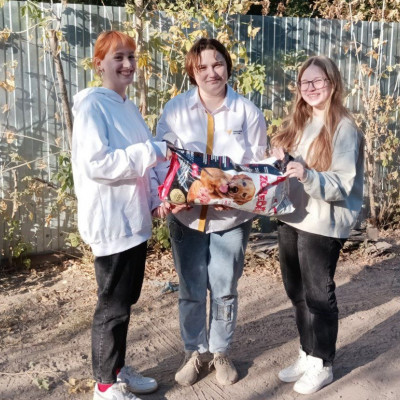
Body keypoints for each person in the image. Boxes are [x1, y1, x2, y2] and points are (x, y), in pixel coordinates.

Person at [154, 38, 268, 387]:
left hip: (230, 220)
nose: (211, 72)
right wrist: (166, 196)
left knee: (225, 288)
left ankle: (220, 351)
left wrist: (232, 198)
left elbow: (257, 167)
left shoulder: (247, 112)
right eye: (201, 67)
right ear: (192, 72)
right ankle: (195, 352)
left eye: (217, 64)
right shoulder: (175, 109)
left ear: (227, 66)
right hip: (186, 217)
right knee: (190, 289)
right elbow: (162, 159)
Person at [71, 31, 170, 400]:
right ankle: (104, 385)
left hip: (134, 221)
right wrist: (150, 151)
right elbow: (97, 164)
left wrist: (156, 198)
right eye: (118, 58)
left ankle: (117, 368)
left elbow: (147, 162)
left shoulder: (127, 106)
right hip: (111, 223)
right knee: (111, 307)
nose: (127, 64)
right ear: (100, 64)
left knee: (125, 302)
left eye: (131, 56)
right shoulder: (92, 107)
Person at [270, 56, 364, 395]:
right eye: (304, 82)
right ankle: (307, 353)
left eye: (317, 81)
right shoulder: (300, 120)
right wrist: (280, 159)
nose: (310, 88)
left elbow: (342, 184)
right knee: (296, 293)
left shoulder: (344, 127)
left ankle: (322, 363)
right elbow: (290, 169)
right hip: (292, 216)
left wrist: (307, 175)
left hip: (322, 222)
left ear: (332, 83)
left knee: (318, 296)